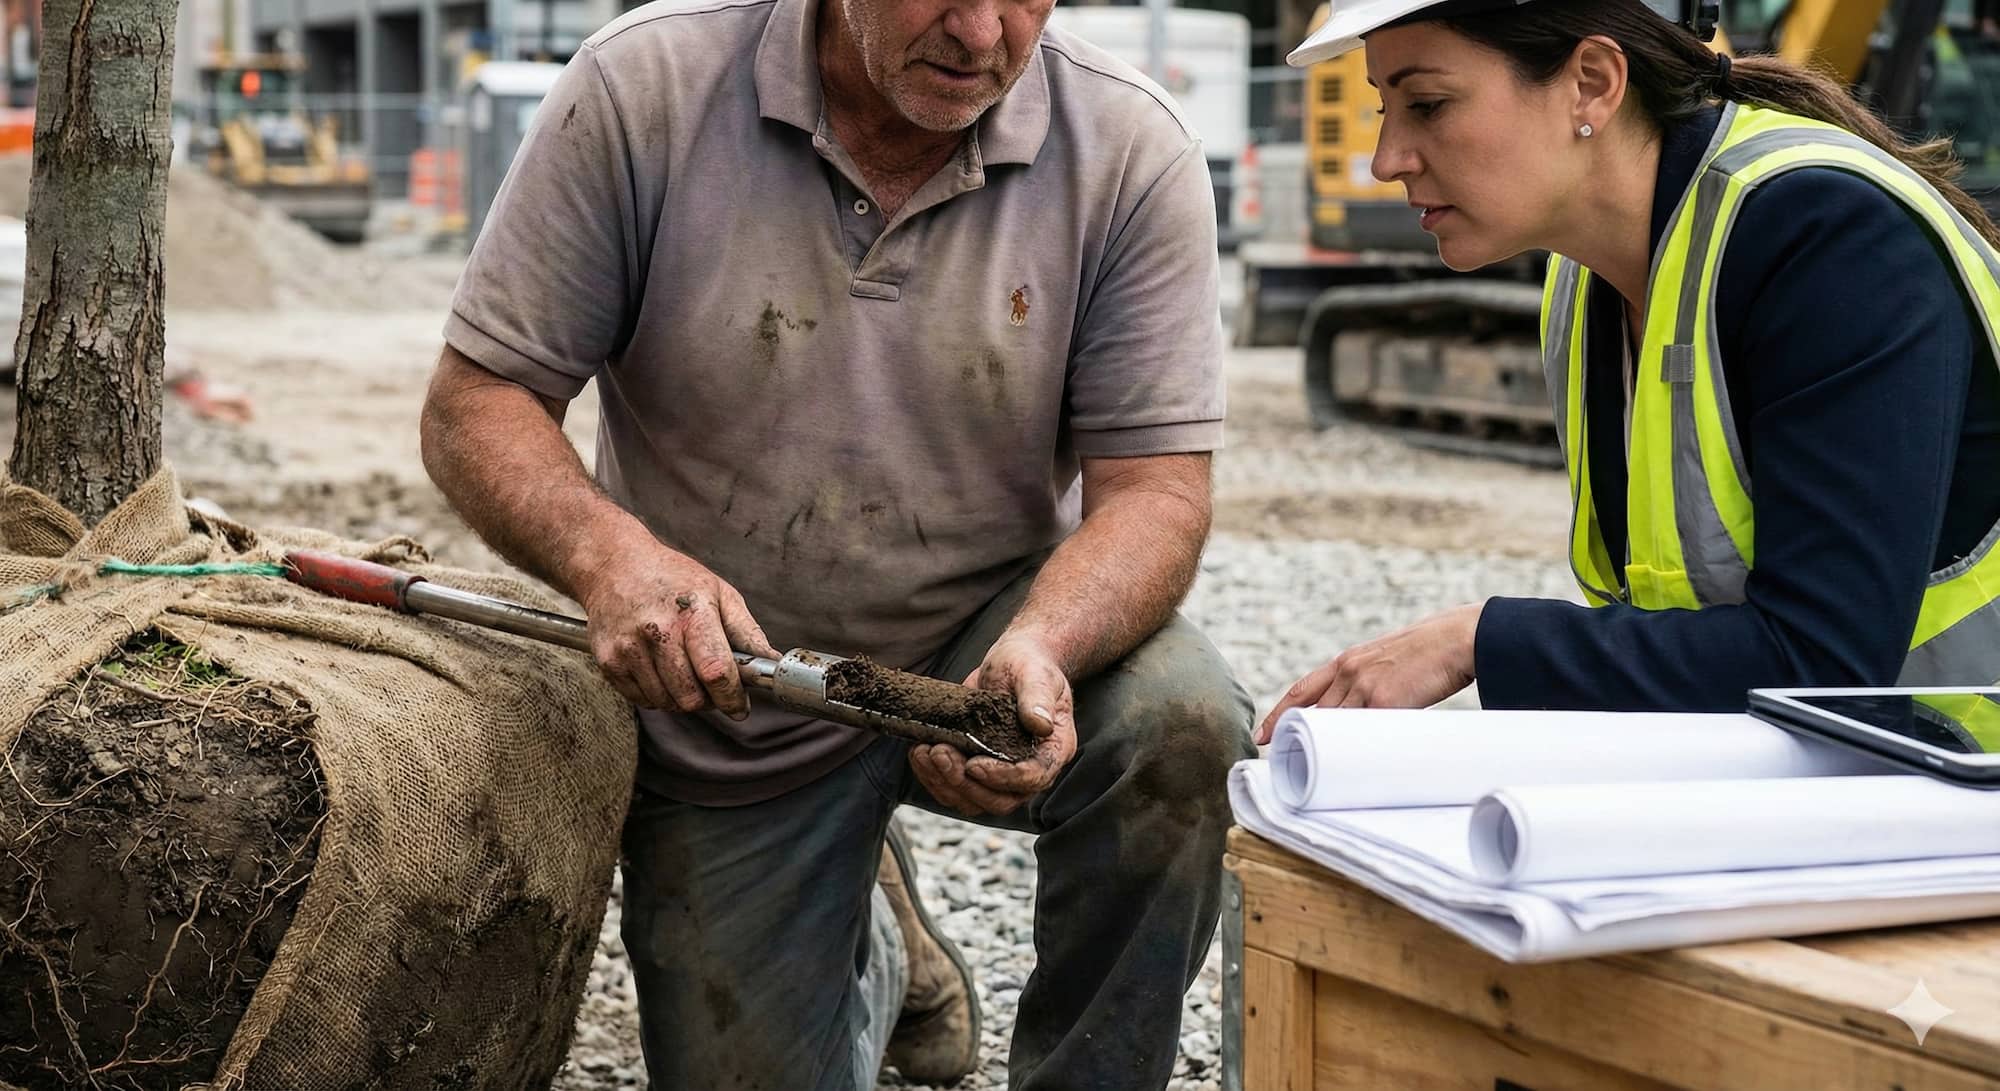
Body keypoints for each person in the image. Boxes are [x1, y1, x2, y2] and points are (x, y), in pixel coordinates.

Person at [417, 0, 1257, 1083]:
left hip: (985, 637)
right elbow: (477, 401)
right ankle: (885, 945)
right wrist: (613, 560)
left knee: (1181, 725)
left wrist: (1046, 642)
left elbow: (1155, 492)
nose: (980, 31)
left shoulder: (1127, 145)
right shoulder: (646, 87)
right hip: (735, 682)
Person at [1261, 0, 2000, 736]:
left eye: (1427, 104)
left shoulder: (1830, 239)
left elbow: (1820, 663)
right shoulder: (1585, 284)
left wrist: (1480, 639)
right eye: (1385, 107)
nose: (1387, 158)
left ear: (1591, 83)